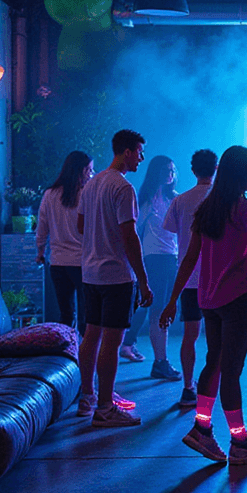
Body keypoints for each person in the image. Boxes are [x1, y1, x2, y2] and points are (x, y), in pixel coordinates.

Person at [159, 146, 247, 466]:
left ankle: (202, 428)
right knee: (232, 371)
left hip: (208, 299)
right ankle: (239, 441)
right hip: (237, 299)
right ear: (241, 174)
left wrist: (172, 300)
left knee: (214, 362)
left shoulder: (207, 209)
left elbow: (189, 259)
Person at [77, 129, 153, 428]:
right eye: (139, 153)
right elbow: (130, 236)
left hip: (90, 272)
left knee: (91, 335)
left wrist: (99, 236)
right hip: (117, 275)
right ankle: (106, 407)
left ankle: (88, 396)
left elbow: (81, 225)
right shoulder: (123, 187)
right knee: (112, 341)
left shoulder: (91, 184)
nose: (141, 159)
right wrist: (143, 281)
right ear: (127, 152)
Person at [162, 148, 218, 409]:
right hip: (219, 278)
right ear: (216, 169)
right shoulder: (223, 199)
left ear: (193, 170)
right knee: (219, 337)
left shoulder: (181, 200)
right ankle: (215, 386)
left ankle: (188, 387)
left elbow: (171, 231)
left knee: (190, 335)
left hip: (190, 278)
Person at [135, 155, 183, 382]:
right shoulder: (146, 200)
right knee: (158, 311)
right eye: (165, 171)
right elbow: (135, 230)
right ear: (156, 172)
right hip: (154, 258)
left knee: (165, 310)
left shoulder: (174, 199)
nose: (169, 175)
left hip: (171, 257)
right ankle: (160, 361)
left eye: (172, 171)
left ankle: (160, 360)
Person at [36, 151, 93, 338]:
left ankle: (66, 350)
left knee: (66, 315)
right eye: (90, 170)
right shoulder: (87, 194)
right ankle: (85, 353)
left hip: (58, 263)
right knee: (87, 316)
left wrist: (40, 251)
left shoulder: (49, 194)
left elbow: (42, 226)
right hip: (83, 263)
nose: (91, 175)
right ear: (82, 171)